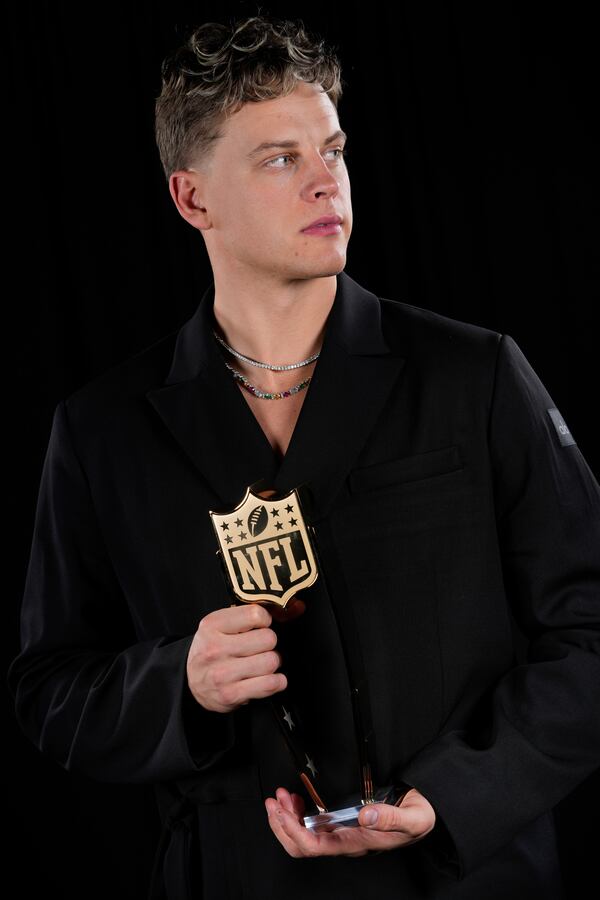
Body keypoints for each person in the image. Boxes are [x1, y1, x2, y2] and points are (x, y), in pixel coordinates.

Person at [8, 13, 600, 900]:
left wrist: (451, 796)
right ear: (192, 199)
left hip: (467, 880)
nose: (328, 182)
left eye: (333, 149)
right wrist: (181, 682)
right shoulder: (102, 432)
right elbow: (51, 690)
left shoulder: (472, 376)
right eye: (281, 159)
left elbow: (592, 631)